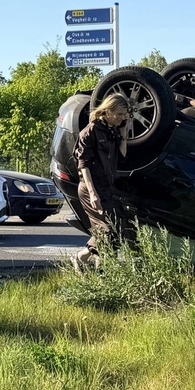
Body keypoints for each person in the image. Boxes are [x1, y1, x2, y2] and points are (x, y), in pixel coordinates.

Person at [73, 93, 129, 271]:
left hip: (106, 188)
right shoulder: (90, 131)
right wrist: (92, 193)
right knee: (105, 231)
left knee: (113, 229)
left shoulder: (112, 130)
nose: (123, 118)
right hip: (90, 189)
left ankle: (81, 258)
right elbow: (83, 165)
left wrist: (124, 137)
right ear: (108, 111)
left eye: (125, 114)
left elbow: (121, 157)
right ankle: (102, 271)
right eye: (120, 114)